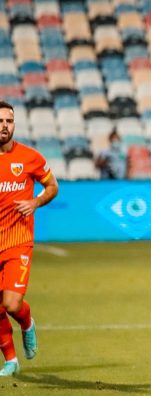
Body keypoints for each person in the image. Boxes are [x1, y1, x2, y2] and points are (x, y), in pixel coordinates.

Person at [0, 100, 59, 376]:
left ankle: (27, 323)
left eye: (9, 121)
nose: (4, 126)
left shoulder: (29, 157)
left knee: (11, 304)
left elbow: (52, 187)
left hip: (18, 240)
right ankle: (10, 360)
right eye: (0, 121)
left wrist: (35, 203)